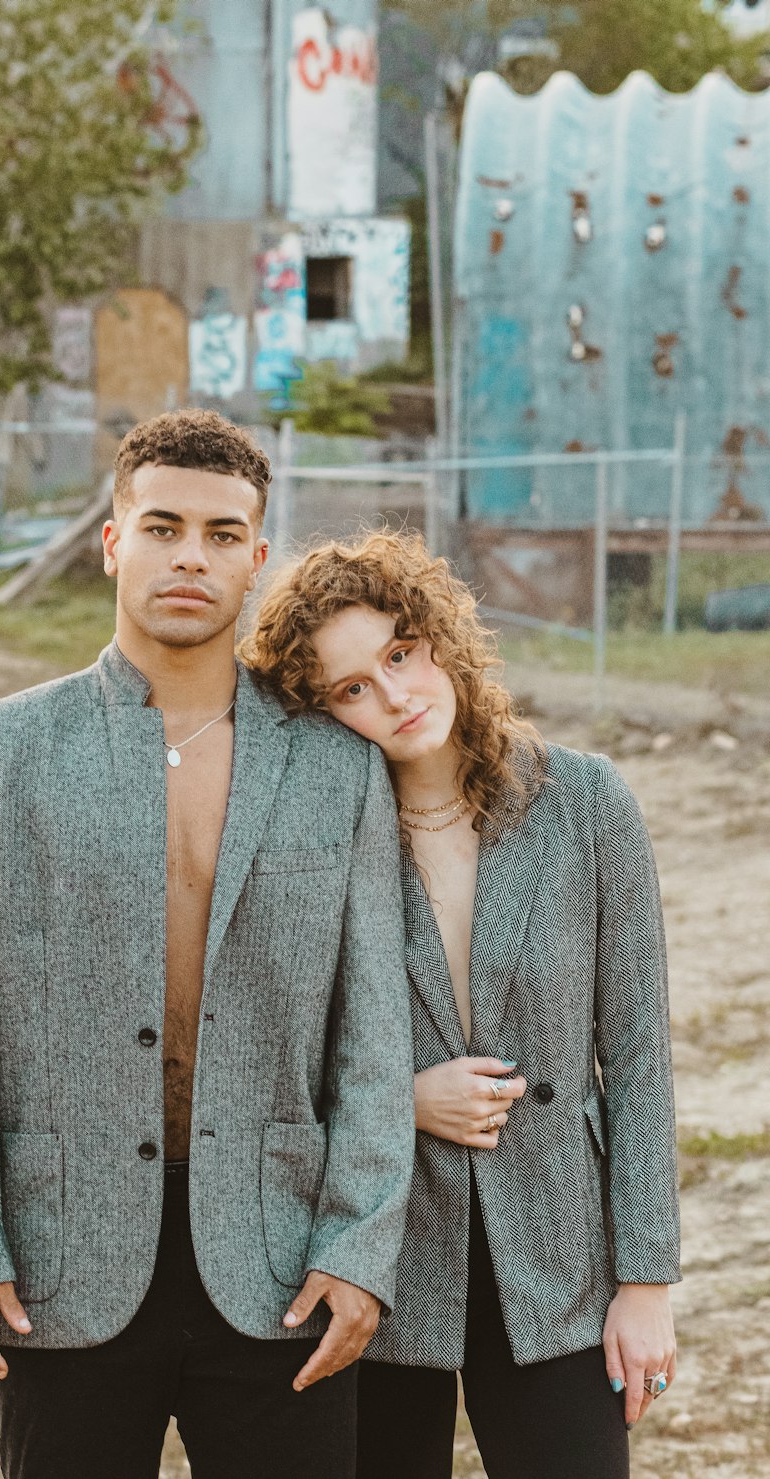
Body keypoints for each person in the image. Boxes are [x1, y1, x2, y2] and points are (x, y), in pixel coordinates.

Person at [0, 412, 415, 1479]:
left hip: (282, 1266)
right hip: (60, 1264)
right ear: (111, 543)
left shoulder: (336, 765)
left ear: (257, 558)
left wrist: (360, 1248)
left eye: (224, 535)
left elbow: (370, 1029)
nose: (192, 555)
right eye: (163, 526)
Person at [243, 529, 681, 1479]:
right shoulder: (311, 841)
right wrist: (400, 1099)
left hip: (563, 1257)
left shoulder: (586, 801)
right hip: (380, 1262)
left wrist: (645, 1283)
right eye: (351, 687)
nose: (396, 695)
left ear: (441, 634)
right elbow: (268, 1057)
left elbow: (640, 1053)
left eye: (400, 653)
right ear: (319, 714)